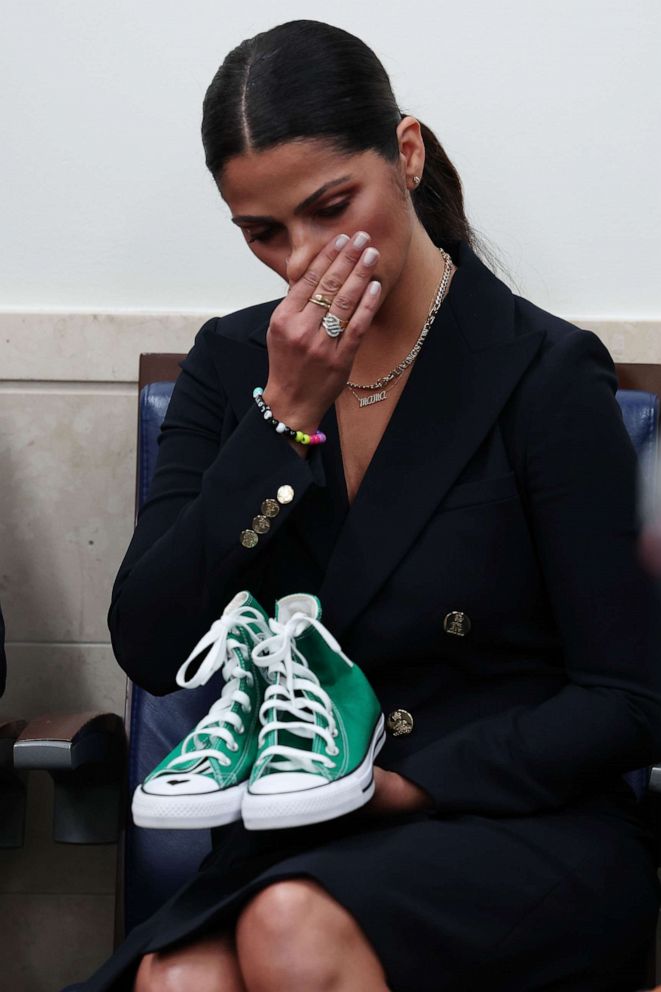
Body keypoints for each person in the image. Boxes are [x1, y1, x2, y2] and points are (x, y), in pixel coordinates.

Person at [73, 19, 661, 992]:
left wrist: (406, 783)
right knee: (180, 979)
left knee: (290, 929)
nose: (301, 259)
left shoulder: (542, 372)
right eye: (263, 232)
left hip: (513, 819)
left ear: (407, 152)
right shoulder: (233, 367)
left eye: (330, 206)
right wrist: (285, 418)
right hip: (299, 828)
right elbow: (148, 636)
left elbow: (631, 697)